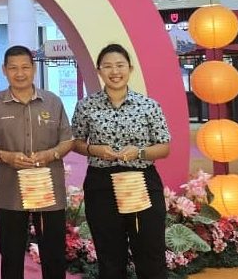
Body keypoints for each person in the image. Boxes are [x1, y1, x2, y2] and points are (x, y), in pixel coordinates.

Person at [71, 43, 171, 279]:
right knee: (109, 255)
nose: (114, 71)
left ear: (130, 68)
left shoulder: (149, 105)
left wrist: (139, 153)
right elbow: (75, 142)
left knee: (150, 252)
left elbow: (164, 147)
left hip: (141, 182)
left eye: (120, 65)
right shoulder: (86, 106)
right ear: (99, 71)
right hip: (101, 184)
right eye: (107, 66)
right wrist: (94, 149)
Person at [0, 45, 74, 279]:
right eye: (13, 68)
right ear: (4, 70)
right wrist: (6, 157)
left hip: (49, 194)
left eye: (25, 67)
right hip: (10, 193)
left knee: (54, 257)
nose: (20, 73)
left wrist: (50, 155)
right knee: (11, 257)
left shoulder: (53, 102)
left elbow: (67, 141)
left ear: (34, 68)